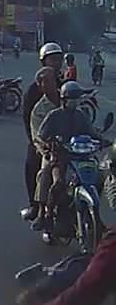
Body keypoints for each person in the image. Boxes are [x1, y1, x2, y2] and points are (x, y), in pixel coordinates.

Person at [33, 81, 102, 236]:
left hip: (81, 157)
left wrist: (104, 141)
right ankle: (45, 214)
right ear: (64, 99)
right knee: (57, 182)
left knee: (98, 178)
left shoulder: (81, 115)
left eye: (77, 98)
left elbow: (92, 134)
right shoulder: (54, 116)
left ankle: (94, 217)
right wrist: (46, 146)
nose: (75, 102)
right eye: (72, 98)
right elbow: (40, 137)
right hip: (60, 157)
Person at [22, 43, 66, 222]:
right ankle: (35, 206)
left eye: (58, 59)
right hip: (41, 137)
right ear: (43, 61)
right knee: (32, 165)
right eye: (52, 59)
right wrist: (35, 142)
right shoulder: (33, 91)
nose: (56, 63)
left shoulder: (66, 85)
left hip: (66, 138)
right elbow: (28, 118)